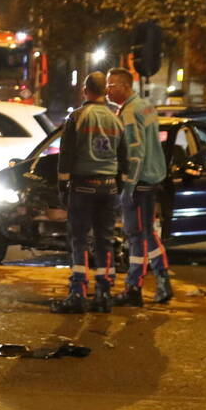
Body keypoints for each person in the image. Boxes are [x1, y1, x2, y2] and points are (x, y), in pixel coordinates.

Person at [50, 72, 128, 314]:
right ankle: (104, 293)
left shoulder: (78, 117)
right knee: (105, 241)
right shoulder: (116, 120)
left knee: (79, 240)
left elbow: (67, 155)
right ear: (104, 91)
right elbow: (124, 158)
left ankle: (78, 293)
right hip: (109, 187)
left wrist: (63, 186)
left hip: (83, 186)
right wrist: (120, 185)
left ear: (85, 90)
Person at [107, 67, 173, 306]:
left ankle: (134, 287)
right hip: (152, 179)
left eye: (111, 85)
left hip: (139, 182)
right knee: (147, 233)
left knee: (137, 235)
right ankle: (162, 281)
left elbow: (135, 153)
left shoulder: (130, 112)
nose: (108, 90)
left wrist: (127, 187)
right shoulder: (146, 106)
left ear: (125, 86)